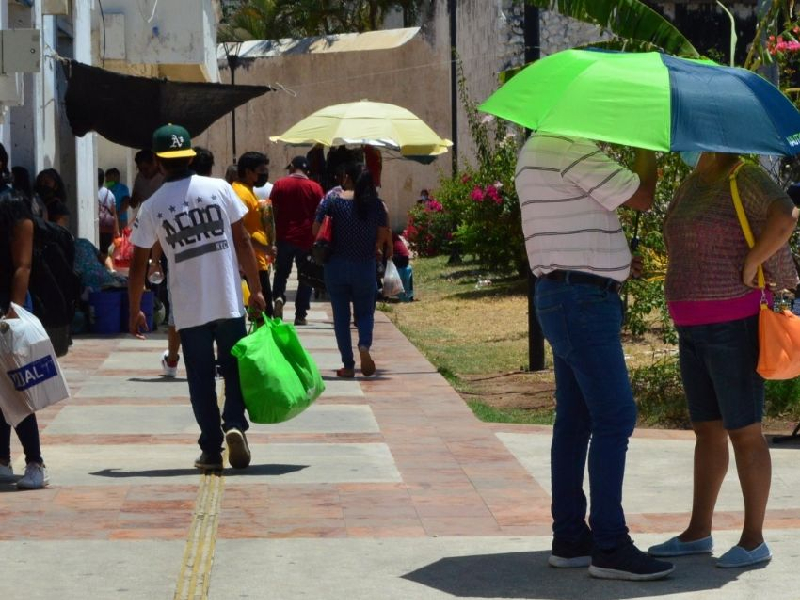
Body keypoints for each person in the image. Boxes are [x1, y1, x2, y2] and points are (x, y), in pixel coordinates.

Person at [515, 133, 673, 581]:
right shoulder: (570, 148)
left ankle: (570, 539)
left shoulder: (535, 151)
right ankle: (609, 544)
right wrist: (645, 146)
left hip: (563, 294)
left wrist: (616, 259)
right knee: (615, 416)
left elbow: (577, 223)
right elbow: (641, 196)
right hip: (581, 301)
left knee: (575, 420)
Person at [648, 153, 799, 569]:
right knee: (708, 431)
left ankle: (754, 541)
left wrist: (753, 260)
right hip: (693, 327)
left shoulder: (744, 175)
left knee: (745, 431)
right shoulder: (695, 180)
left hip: (733, 324)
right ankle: (698, 533)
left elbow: (786, 216)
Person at [128, 124, 265, 471]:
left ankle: (210, 449)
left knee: (200, 377)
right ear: (189, 156)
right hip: (229, 299)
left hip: (189, 310)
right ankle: (234, 423)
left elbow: (138, 264)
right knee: (235, 369)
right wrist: (258, 289)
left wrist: (135, 309)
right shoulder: (219, 188)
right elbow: (244, 241)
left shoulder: (152, 206)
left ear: (158, 162)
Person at [313, 164, 391, 377]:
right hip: (364, 266)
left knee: (340, 316)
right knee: (365, 312)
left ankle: (348, 365)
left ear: (347, 177)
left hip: (335, 266)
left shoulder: (332, 201)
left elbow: (315, 229)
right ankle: (364, 344)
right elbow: (384, 234)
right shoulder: (376, 205)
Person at [0, 183, 49, 489]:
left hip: (9, 308)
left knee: (17, 392)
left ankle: (35, 463)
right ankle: (3, 460)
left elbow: (23, 266)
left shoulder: (16, 209)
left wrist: (12, 314)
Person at [270, 155, 324, 326]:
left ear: (292, 168)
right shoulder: (315, 188)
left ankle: (278, 297)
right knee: (306, 277)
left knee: (281, 273)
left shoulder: (280, 185)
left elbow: (272, 212)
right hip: (306, 239)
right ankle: (300, 315)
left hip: (284, 237)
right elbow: (320, 216)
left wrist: (272, 237)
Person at [233, 151, 276, 317]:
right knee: (262, 311)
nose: (264, 174)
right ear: (248, 171)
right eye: (261, 170)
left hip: (257, 260)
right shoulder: (241, 194)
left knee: (261, 311)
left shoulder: (248, 191)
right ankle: (261, 342)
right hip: (252, 263)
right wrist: (264, 248)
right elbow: (239, 231)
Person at [130, 149, 164, 221]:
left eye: (146, 169)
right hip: (145, 219)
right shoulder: (139, 177)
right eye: (140, 169)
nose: (143, 173)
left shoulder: (164, 177)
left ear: (154, 164)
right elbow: (133, 204)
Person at [97, 168, 119, 258]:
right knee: (106, 253)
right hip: (107, 227)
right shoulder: (109, 193)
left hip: (96, 226)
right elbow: (114, 213)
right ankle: (108, 269)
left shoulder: (91, 192)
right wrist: (117, 230)